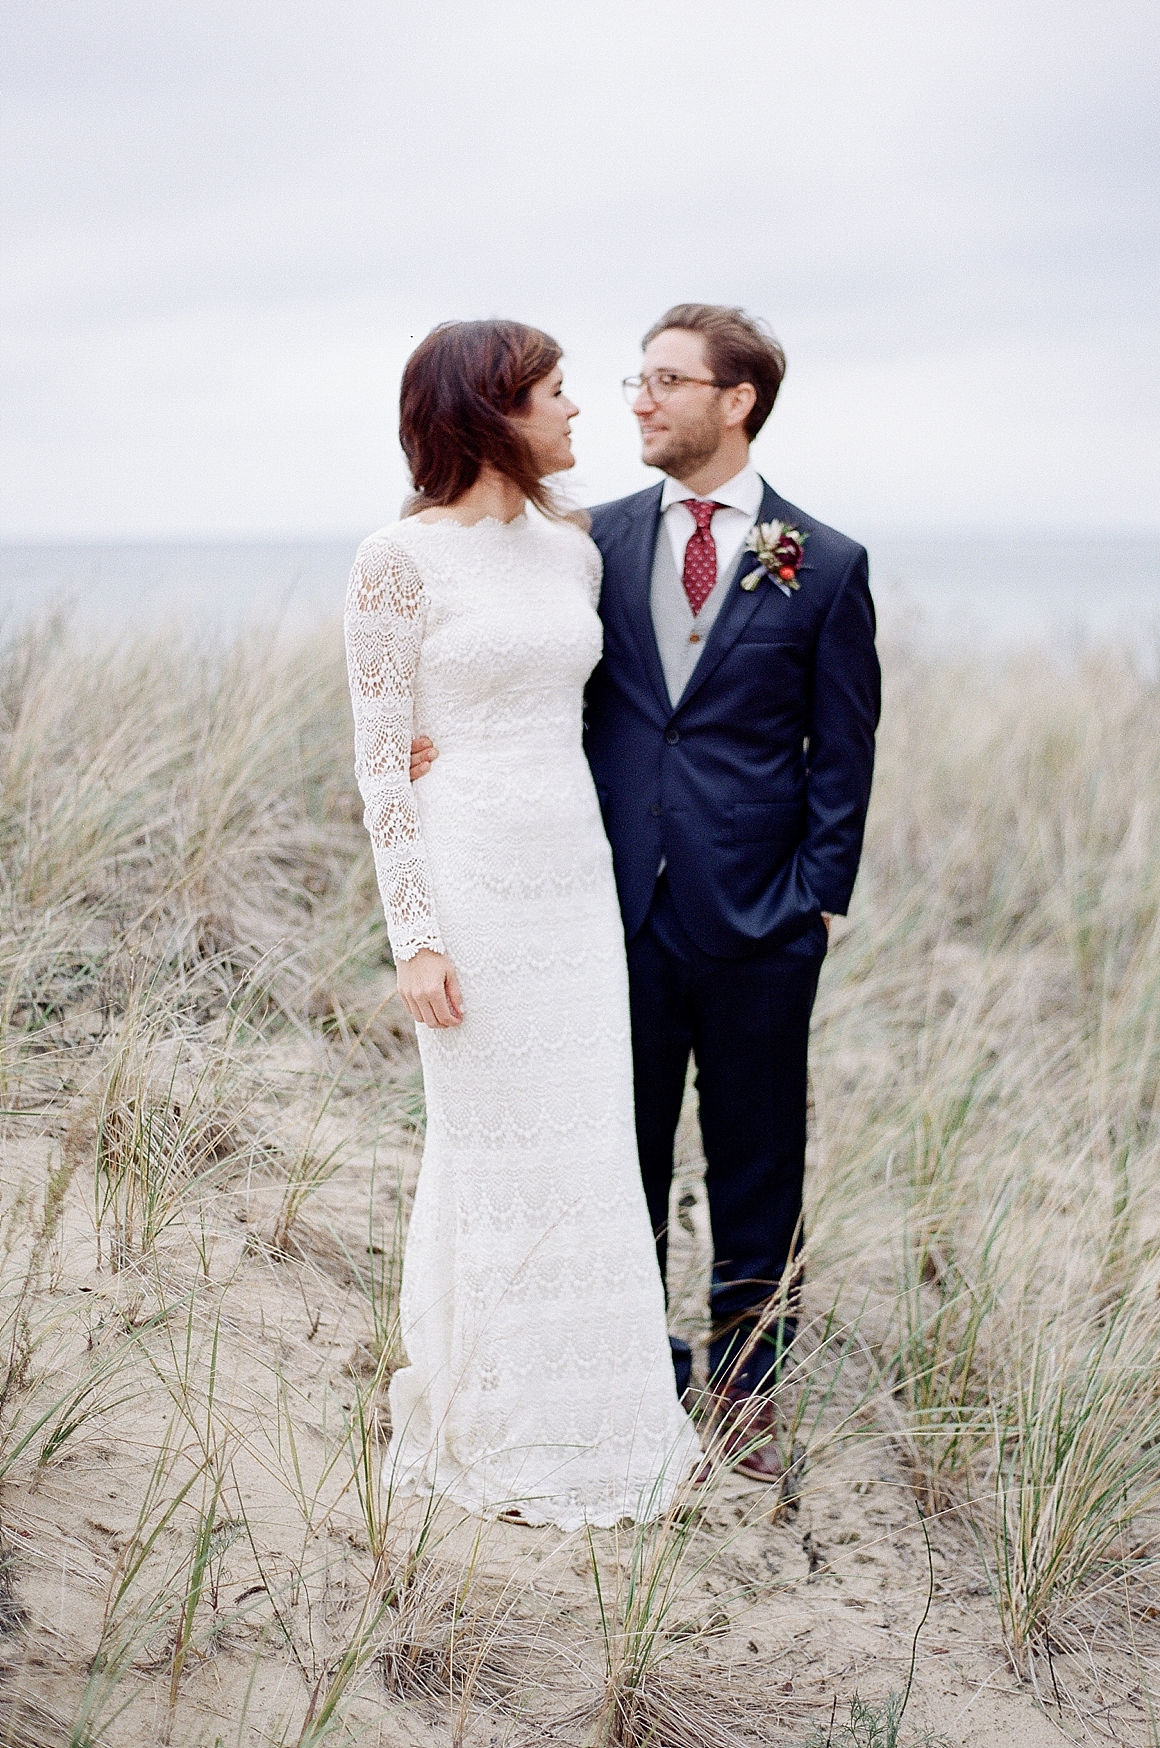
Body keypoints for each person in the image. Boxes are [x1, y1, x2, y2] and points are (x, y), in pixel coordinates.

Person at [412, 305, 880, 1484]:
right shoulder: (586, 541)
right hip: (599, 910)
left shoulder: (822, 563)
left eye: (668, 380)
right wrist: (437, 750)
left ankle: (747, 1383)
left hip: (758, 920)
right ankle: (631, 1363)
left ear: (737, 400)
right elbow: (522, 674)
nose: (637, 399)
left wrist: (814, 902)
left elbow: (844, 750)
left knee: (758, 1157)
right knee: (613, 1149)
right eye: (632, 378)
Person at [345, 319, 699, 1529]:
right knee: (489, 1143)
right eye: (555, 393)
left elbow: (594, 709)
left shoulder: (575, 552)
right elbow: (382, 762)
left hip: (572, 873)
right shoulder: (396, 560)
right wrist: (417, 937)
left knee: (587, 1140)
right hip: (472, 878)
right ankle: (489, 1411)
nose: (578, 411)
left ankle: (601, 1413)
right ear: (492, 411)